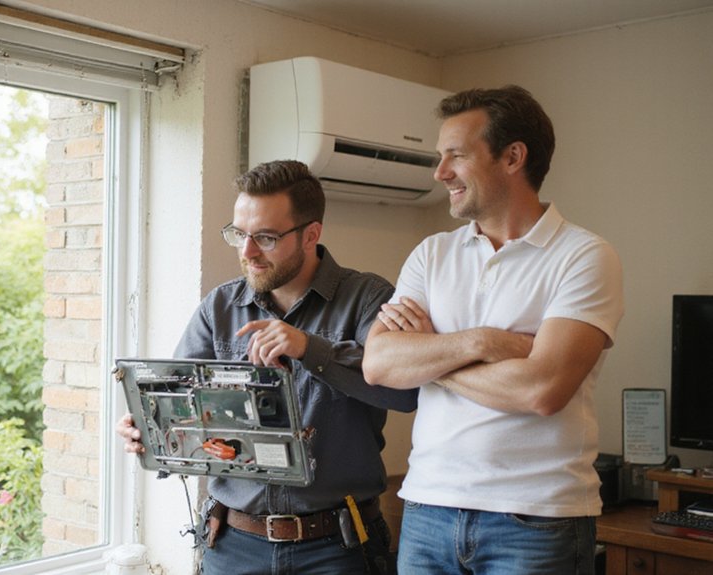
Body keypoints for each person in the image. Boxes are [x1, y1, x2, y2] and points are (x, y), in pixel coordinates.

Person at [361, 86, 624, 574]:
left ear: (512, 157)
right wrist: (482, 342)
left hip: (536, 520)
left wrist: (431, 358)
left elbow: (542, 390)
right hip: (426, 509)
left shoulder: (585, 256)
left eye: (455, 156)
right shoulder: (431, 254)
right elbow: (377, 365)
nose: (440, 173)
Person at [117, 160, 418, 574]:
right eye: (239, 234)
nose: (247, 252)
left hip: (340, 548)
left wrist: (310, 349)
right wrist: (148, 429)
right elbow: (181, 405)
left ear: (311, 234)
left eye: (265, 237)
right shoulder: (219, 308)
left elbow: (404, 394)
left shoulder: (369, 298)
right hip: (232, 544)